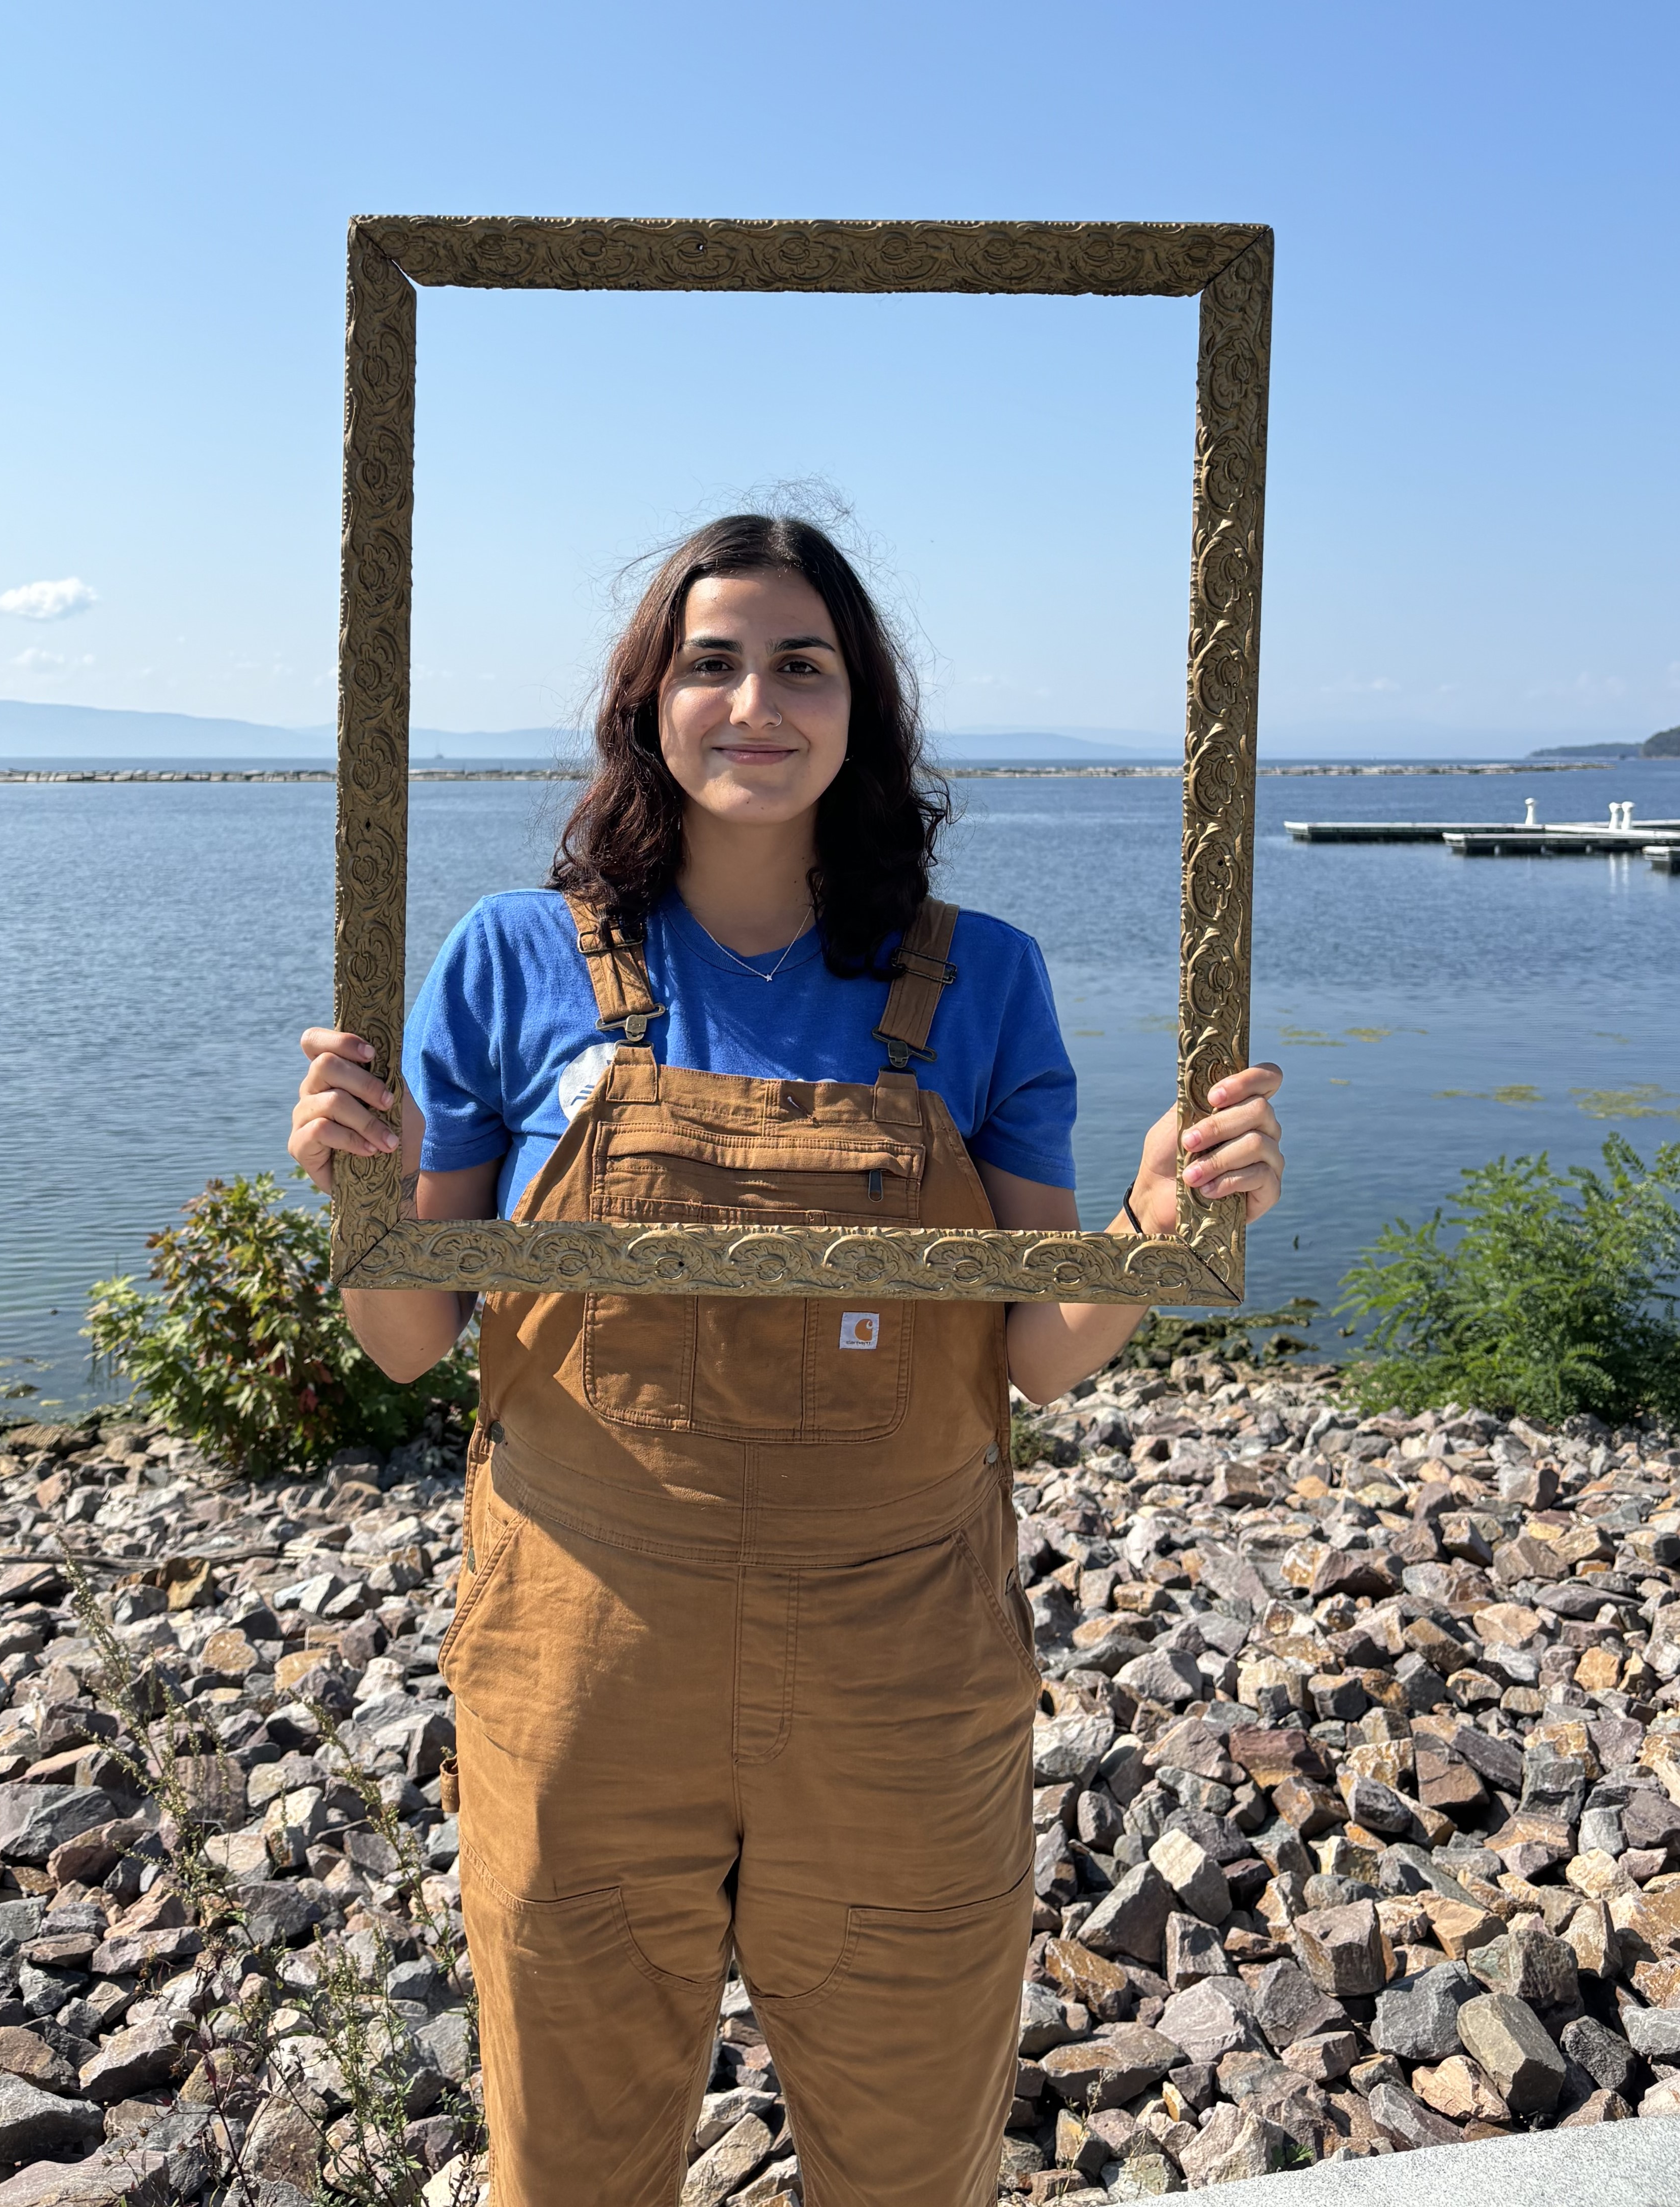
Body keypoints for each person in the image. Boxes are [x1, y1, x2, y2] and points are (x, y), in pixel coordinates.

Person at [289, 514, 1284, 2207]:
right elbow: (404, 1344)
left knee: (911, 2158)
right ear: (646, 703)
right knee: (573, 2164)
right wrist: (351, 1190)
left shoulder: (980, 979)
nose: (756, 700)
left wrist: (1155, 1217)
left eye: (801, 664)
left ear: (862, 709)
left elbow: (1035, 1354)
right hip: (581, 1660)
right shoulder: (509, 958)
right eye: (711, 660)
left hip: (901, 1664)